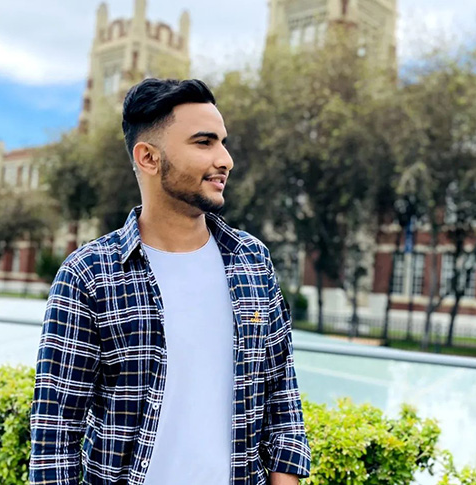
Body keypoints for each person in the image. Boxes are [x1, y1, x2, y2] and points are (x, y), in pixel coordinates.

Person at [29, 78, 311, 485]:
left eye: (223, 142)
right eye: (204, 142)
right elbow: (54, 435)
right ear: (148, 157)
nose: (226, 159)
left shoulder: (252, 261)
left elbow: (282, 392)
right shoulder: (89, 274)